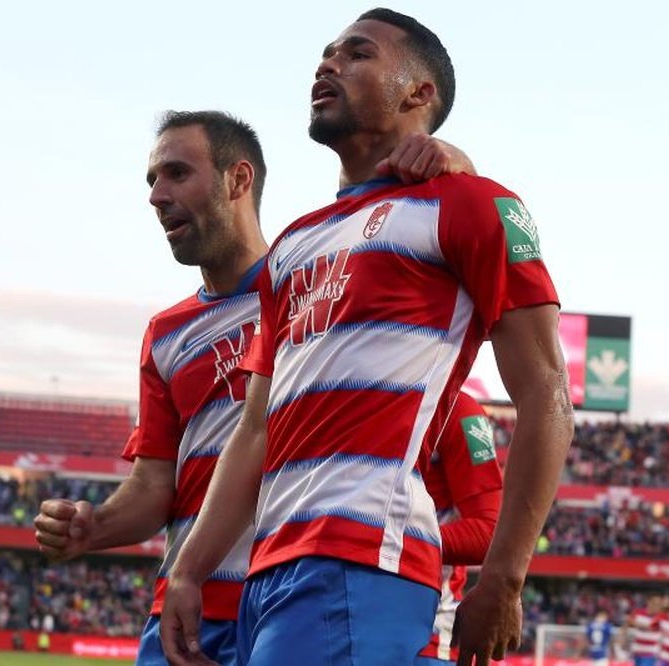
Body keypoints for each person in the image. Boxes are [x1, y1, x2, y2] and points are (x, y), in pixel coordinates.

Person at [160, 8, 573, 666]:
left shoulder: (470, 204)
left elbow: (547, 395)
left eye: (358, 54)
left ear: (418, 94)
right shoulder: (293, 244)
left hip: (362, 559)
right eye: (326, 54)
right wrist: (190, 568)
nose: (328, 64)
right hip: (269, 574)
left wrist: (504, 577)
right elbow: (256, 429)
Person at [33, 110, 477, 665]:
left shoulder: (319, 282)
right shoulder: (165, 336)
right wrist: (92, 526)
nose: (156, 195)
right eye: (151, 180)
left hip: (298, 590)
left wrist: (453, 162)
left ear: (238, 180)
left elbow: (433, 245)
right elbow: (153, 488)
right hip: (190, 604)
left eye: (175, 173)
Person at [417, 394, 503, 665]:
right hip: (324, 612)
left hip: (424, 636)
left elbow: (487, 532)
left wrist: (382, 543)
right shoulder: (325, 389)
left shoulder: (459, 409)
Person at [625, 595, 661, 666]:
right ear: (648, 602)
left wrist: (638, 624)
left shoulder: (660, 617)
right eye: (655, 603)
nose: (656, 606)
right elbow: (629, 621)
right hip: (637, 651)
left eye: (659, 604)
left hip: (650, 652)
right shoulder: (638, 612)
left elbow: (651, 627)